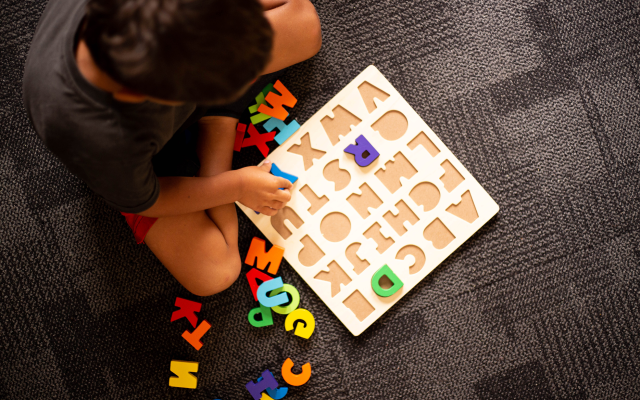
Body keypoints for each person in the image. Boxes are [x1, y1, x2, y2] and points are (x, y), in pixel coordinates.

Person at [22, 0, 322, 296]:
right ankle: (219, 118)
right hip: (143, 168)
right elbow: (149, 200)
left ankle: (218, 116)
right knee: (215, 272)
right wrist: (237, 185)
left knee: (304, 27)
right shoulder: (104, 143)